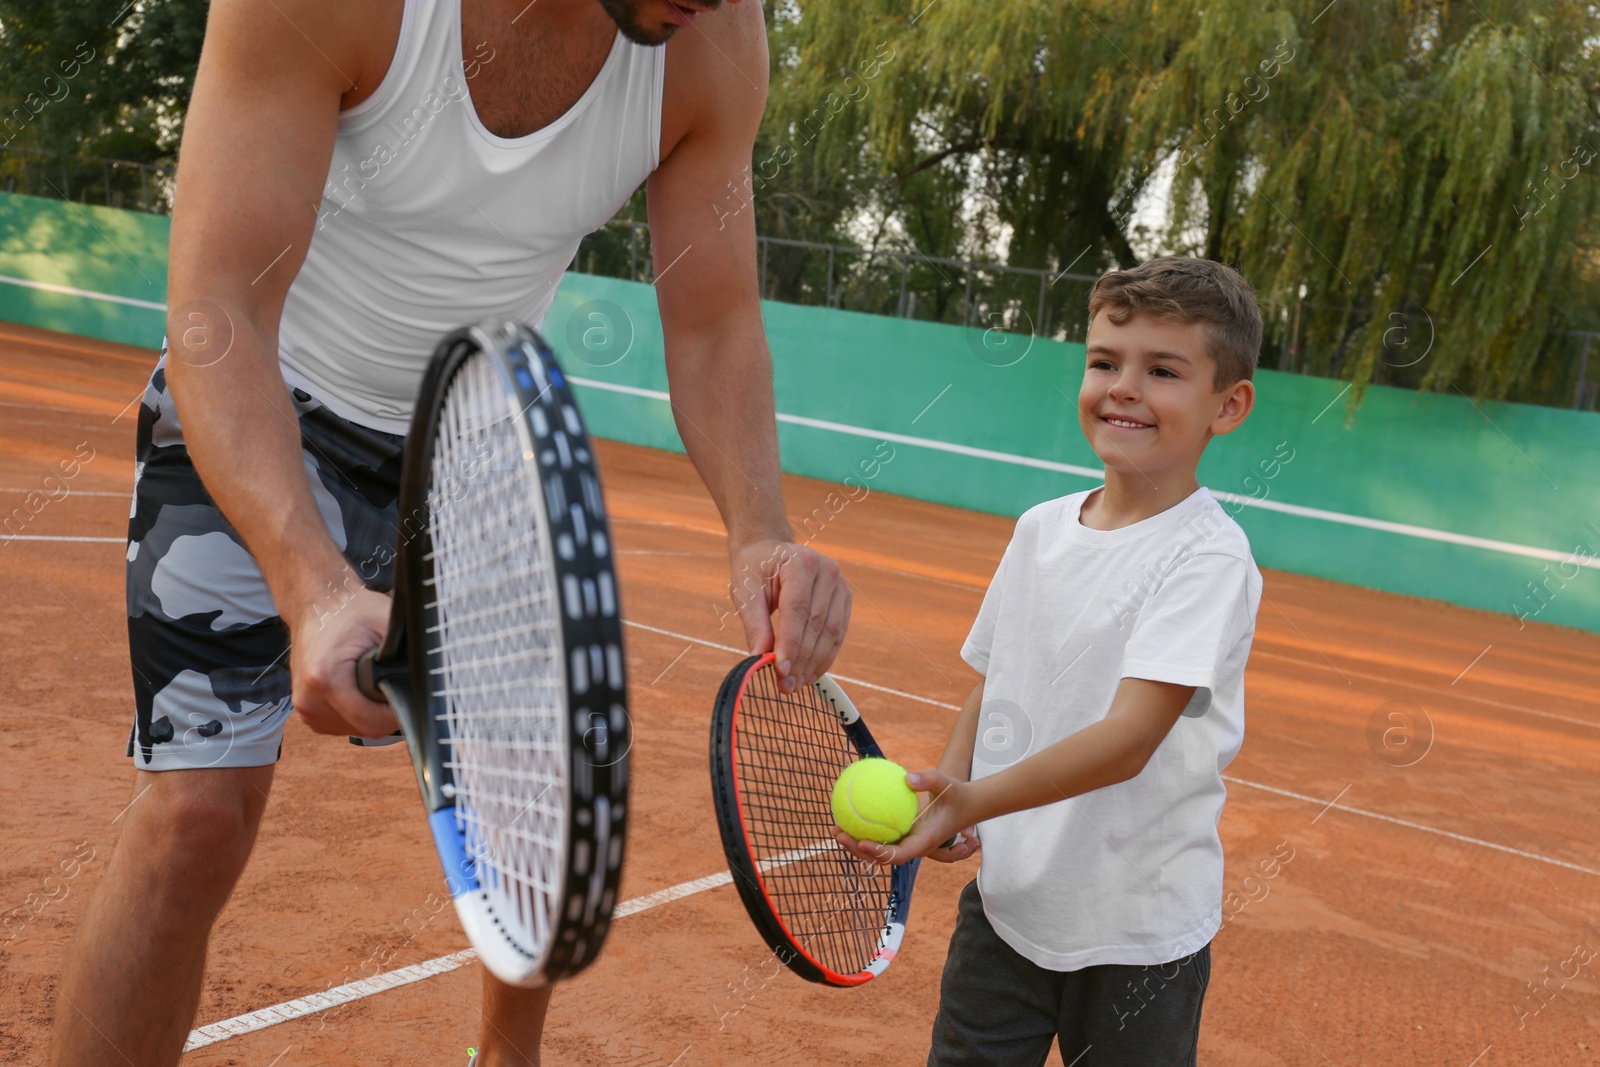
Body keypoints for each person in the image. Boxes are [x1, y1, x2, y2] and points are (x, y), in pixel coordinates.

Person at [50, 1, 851, 1065]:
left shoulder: (714, 39)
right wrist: (313, 582)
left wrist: (760, 531)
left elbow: (710, 322)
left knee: (548, 833)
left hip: (483, 448)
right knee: (194, 824)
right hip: (269, 402)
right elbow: (216, 310)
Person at [839, 257, 1264, 1066]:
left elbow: (1128, 738)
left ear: (1227, 405)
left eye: (1163, 370)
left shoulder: (1208, 557)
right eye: (1104, 361)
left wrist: (971, 800)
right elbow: (992, 684)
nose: (1124, 387)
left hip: (1139, 938)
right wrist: (949, 787)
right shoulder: (1039, 528)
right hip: (1008, 908)